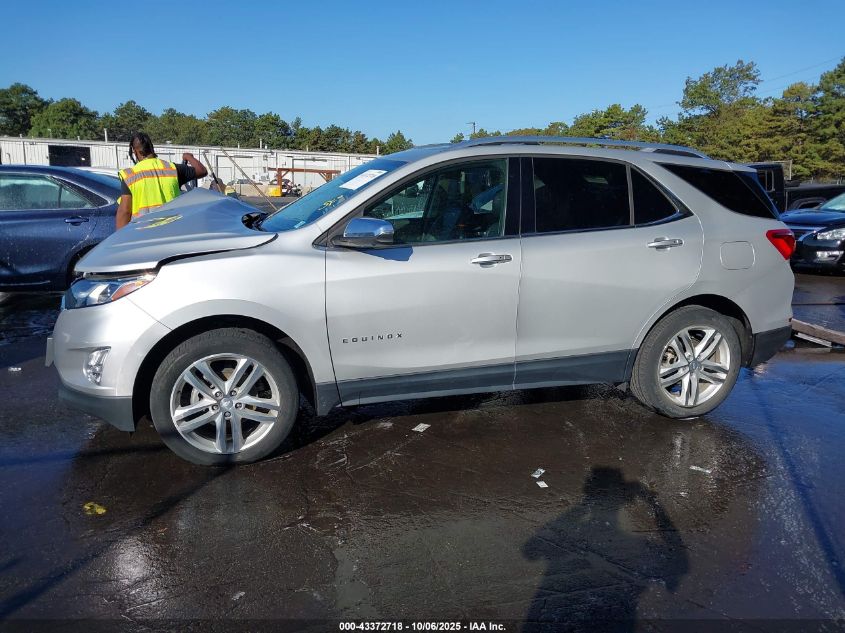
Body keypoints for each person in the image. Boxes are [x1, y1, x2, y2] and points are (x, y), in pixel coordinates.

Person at [116, 132, 208, 229]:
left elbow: (125, 212)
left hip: (142, 235)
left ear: (134, 151)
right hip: (171, 232)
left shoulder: (130, 175)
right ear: (152, 148)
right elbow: (202, 171)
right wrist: (189, 157)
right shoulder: (172, 169)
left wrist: (119, 240)